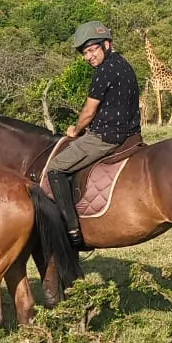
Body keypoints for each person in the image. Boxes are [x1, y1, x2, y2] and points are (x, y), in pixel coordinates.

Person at [46, 21, 141, 249]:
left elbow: (89, 111)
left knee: (55, 168)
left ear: (106, 45)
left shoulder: (104, 71)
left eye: (91, 50)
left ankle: (72, 231)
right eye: (85, 53)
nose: (88, 57)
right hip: (130, 132)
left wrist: (75, 130)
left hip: (105, 137)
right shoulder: (123, 64)